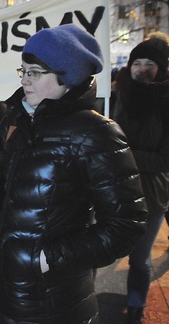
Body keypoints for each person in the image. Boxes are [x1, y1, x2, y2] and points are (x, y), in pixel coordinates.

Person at [0, 24, 148, 323]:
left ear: (67, 77)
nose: (25, 81)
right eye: (23, 71)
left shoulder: (96, 132)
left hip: (49, 301)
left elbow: (126, 225)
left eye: (35, 72)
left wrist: (49, 258)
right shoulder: (15, 118)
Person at [111, 35, 169, 324]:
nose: (142, 68)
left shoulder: (165, 102)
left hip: (150, 193)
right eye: (137, 62)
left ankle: (136, 305)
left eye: (150, 64)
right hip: (112, 189)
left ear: (161, 69)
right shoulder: (117, 95)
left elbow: (164, 159)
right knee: (99, 246)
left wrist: (124, 154)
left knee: (140, 258)